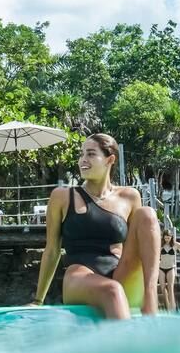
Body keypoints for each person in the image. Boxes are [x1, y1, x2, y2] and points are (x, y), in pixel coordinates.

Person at [30, 133, 160, 319]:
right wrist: (38, 300)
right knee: (112, 290)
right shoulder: (62, 196)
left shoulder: (130, 197)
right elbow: (52, 250)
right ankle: (130, 338)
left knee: (147, 214)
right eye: (82, 154)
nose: (83, 160)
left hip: (120, 271)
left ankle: (151, 299)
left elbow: (139, 244)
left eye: (91, 154)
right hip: (79, 276)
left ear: (110, 160)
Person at [158, 225, 180, 312]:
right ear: (163, 237)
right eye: (165, 238)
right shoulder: (160, 245)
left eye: (168, 238)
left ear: (171, 237)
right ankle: (167, 307)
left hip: (171, 268)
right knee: (162, 288)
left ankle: (173, 309)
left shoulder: (175, 244)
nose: (167, 240)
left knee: (170, 288)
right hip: (161, 268)